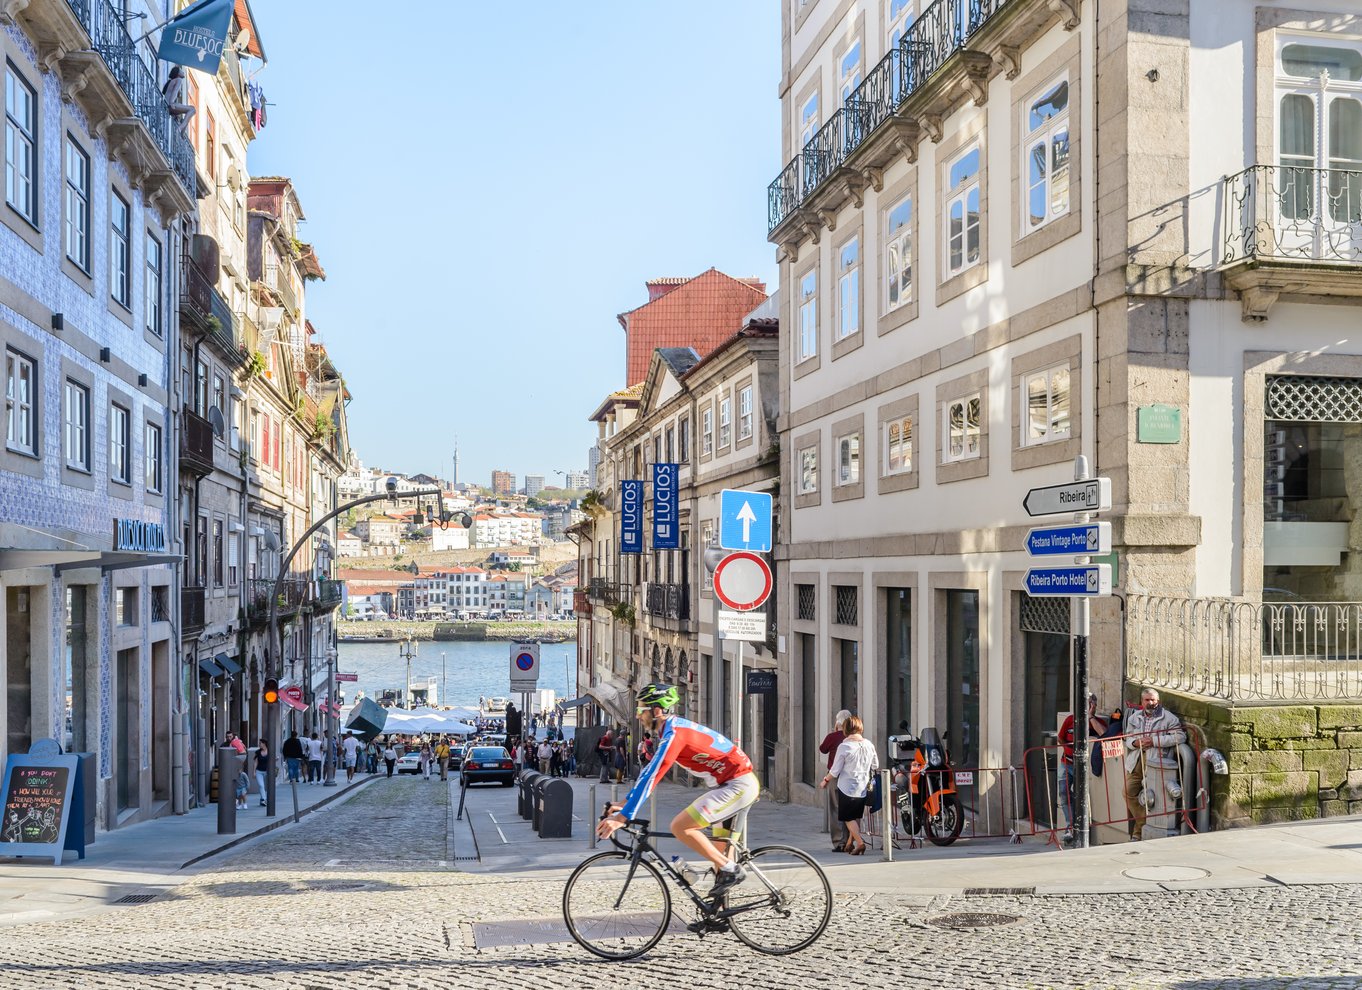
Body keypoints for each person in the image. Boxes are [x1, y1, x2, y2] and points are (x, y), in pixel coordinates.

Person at [597, 683, 759, 901]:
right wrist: (624, 803)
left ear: (656, 711)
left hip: (738, 785)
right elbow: (647, 774)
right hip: (729, 785)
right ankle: (719, 917)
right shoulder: (671, 730)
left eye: (640, 710)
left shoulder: (675, 734)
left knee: (681, 827)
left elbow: (654, 774)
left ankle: (734, 871)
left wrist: (624, 817)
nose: (637, 716)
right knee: (720, 858)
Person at [1123, 688, 1186, 841]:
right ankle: (1143, 824)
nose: (1150, 703)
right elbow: (1128, 738)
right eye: (1147, 700)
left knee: (1152, 798)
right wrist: (1136, 743)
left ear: (1158, 701)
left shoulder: (1169, 718)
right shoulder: (1135, 717)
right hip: (1137, 758)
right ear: (1141, 701)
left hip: (1155, 759)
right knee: (1128, 792)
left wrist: (1154, 741)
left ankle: (1138, 834)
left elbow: (1180, 737)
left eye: (1153, 700)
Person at [819, 714, 878, 854]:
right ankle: (850, 843)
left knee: (847, 817)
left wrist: (825, 780)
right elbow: (875, 765)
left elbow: (835, 770)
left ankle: (860, 843)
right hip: (863, 786)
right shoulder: (869, 744)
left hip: (846, 787)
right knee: (855, 815)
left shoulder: (844, 746)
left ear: (845, 729)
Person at [1057, 693, 1107, 833]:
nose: (1087, 707)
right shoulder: (1070, 720)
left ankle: (1080, 826)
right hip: (1067, 763)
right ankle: (1070, 826)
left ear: (1095, 706)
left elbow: (1104, 734)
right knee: (1063, 792)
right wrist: (1069, 749)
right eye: (1085, 704)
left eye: (1091, 704)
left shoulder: (1098, 722)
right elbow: (1060, 738)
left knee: (1082, 795)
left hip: (1085, 767)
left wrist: (1090, 717)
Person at [818, 710, 852, 852]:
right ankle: (850, 840)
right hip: (850, 776)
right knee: (849, 809)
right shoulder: (853, 738)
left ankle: (839, 842)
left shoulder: (833, 737)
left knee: (835, 809)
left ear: (837, 723)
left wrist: (834, 731)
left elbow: (823, 749)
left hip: (834, 777)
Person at [253, 739, 271, 807]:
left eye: (260, 743)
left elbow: (272, 760)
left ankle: (262, 799)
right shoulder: (258, 752)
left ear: (264, 744)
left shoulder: (269, 751)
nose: (259, 744)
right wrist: (254, 772)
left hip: (267, 771)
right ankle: (263, 799)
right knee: (261, 785)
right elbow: (255, 762)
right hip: (259, 771)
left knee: (265, 787)